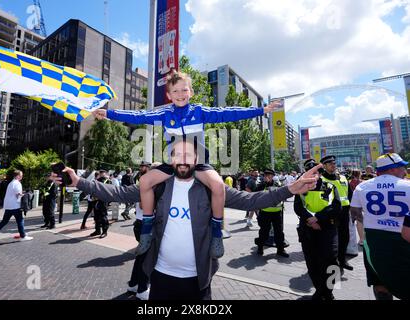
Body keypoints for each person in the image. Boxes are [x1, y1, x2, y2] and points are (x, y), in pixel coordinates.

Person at [54, 139, 320, 300]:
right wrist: (79, 181)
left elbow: (250, 201)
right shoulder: (158, 187)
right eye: (176, 155)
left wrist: (287, 190)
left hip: (199, 279)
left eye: (187, 156)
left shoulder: (210, 188)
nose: (182, 160)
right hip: (160, 277)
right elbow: (118, 193)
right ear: (170, 160)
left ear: (196, 160)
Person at [93, 70, 280, 259]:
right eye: (175, 91)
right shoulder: (164, 113)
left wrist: (261, 110)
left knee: (217, 185)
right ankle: (147, 229)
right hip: (173, 162)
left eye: (184, 90)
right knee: (146, 182)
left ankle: (216, 231)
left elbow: (228, 113)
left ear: (190, 92)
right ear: (169, 95)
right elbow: (139, 116)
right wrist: (109, 113)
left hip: (197, 163)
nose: (180, 94)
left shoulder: (200, 112)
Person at [350, 153, 410, 300]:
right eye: (402, 167)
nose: (405, 171)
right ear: (392, 169)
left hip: (373, 240)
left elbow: (355, 212)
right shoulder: (408, 185)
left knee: (379, 282)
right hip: (403, 239)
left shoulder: (362, 186)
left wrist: (372, 220)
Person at [294, 158, 341, 300]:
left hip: (327, 228)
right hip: (308, 228)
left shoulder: (330, 187)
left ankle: (328, 291)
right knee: (312, 262)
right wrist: (310, 219)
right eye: (310, 173)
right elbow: (298, 207)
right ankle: (320, 290)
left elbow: (336, 206)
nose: (312, 176)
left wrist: (318, 218)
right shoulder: (301, 188)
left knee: (331, 260)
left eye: (315, 173)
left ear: (320, 173)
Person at [320, 155, 354, 272]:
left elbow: (350, 194)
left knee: (345, 237)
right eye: (330, 164)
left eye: (334, 163)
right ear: (324, 166)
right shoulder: (322, 180)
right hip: (330, 213)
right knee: (332, 239)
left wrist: (351, 207)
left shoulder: (343, 178)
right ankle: (332, 262)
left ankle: (342, 259)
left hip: (344, 211)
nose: (333, 165)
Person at [0, 170, 33, 245]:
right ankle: (23, 236)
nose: (22, 176)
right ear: (17, 176)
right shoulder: (17, 183)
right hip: (15, 206)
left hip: (8, 206)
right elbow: (18, 195)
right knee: (20, 221)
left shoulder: (11, 183)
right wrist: (26, 194)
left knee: (3, 222)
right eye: (21, 175)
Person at [128, 161, 154, 300]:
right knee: (146, 258)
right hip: (145, 225)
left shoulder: (142, 182)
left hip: (141, 223)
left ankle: (134, 284)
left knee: (141, 257)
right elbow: (144, 206)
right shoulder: (147, 184)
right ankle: (142, 289)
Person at [255, 169, 288, 257]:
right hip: (265, 213)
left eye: (269, 176)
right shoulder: (261, 186)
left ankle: (280, 249)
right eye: (265, 176)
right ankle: (260, 248)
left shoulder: (278, 185)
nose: (267, 177)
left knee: (279, 232)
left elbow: (283, 195)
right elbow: (255, 197)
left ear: (273, 176)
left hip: (277, 213)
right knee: (264, 232)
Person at [90, 171, 110, 238]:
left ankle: (105, 232)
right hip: (95, 200)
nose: (101, 174)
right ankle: (97, 230)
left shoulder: (107, 181)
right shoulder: (96, 181)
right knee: (96, 217)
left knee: (103, 217)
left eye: (103, 173)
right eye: (100, 173)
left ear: (105, 173)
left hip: (103, 201)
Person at [348, 169, 364, 246]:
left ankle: (361, 239)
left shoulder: (349, 182)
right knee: (363, 221)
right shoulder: (362, 182)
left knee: (358, 221)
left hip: (353, 202)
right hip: (362, 202)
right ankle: (364, 238)